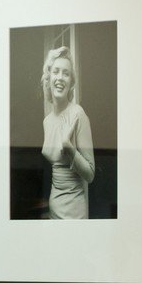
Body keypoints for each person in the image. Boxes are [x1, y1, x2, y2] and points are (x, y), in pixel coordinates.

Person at [40, 46, 95, 219]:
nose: (60, 78)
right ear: (49, 78)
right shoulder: (47, 121)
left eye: (66, 73)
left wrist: (69, 149)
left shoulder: (78, 114)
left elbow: (90, 174)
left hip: (74, 213)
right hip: (53, 209)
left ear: (71, 82)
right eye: (56, 71)